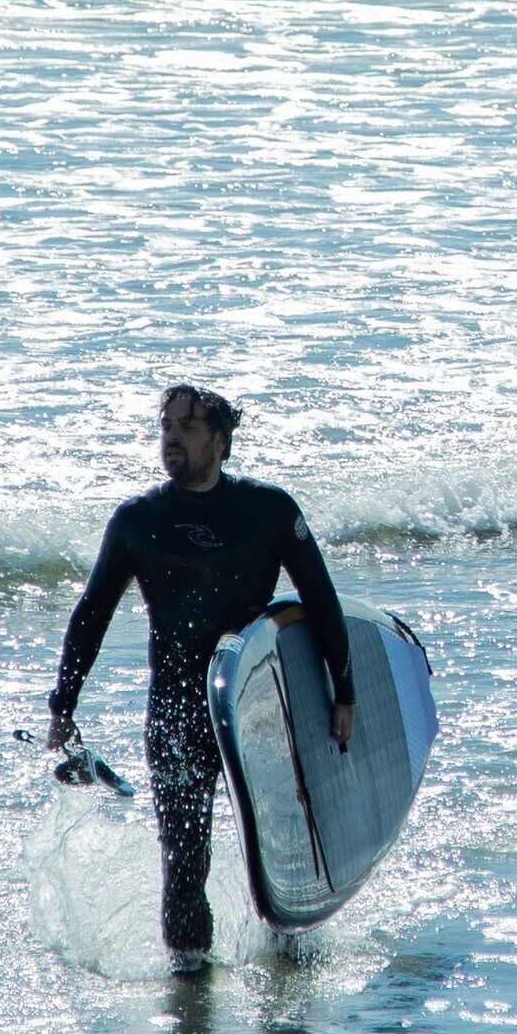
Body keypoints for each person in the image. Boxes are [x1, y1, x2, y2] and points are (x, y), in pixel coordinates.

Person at [46, 384, 354, 967]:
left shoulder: (268, 511)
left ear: (219, 442)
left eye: (187, 428)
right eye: (166, 427)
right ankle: (190, 991)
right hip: (176, 713)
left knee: (282, 844)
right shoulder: (139, 521)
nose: (172, 439)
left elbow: (319, 598)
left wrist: (345, 693)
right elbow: (92, 614)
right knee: (185, 857)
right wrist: (63, 704)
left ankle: (289, 962)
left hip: (255, 709)